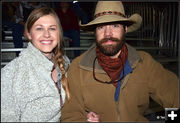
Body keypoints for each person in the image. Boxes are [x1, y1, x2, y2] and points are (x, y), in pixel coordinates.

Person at [61, 1, 179, 122]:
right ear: (95, 32)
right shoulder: (78, 68)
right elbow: (71, 115)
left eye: (115, 25)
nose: (108, 34)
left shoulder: (144, 62)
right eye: (101, 27)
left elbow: (175, 95)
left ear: (125, 28)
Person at [1, 7, 70, 122]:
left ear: (59, 34)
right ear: (28, 34)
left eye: (52, 28)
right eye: (39, 28)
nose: (47, 34)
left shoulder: (66, 64)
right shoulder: (10, 74)